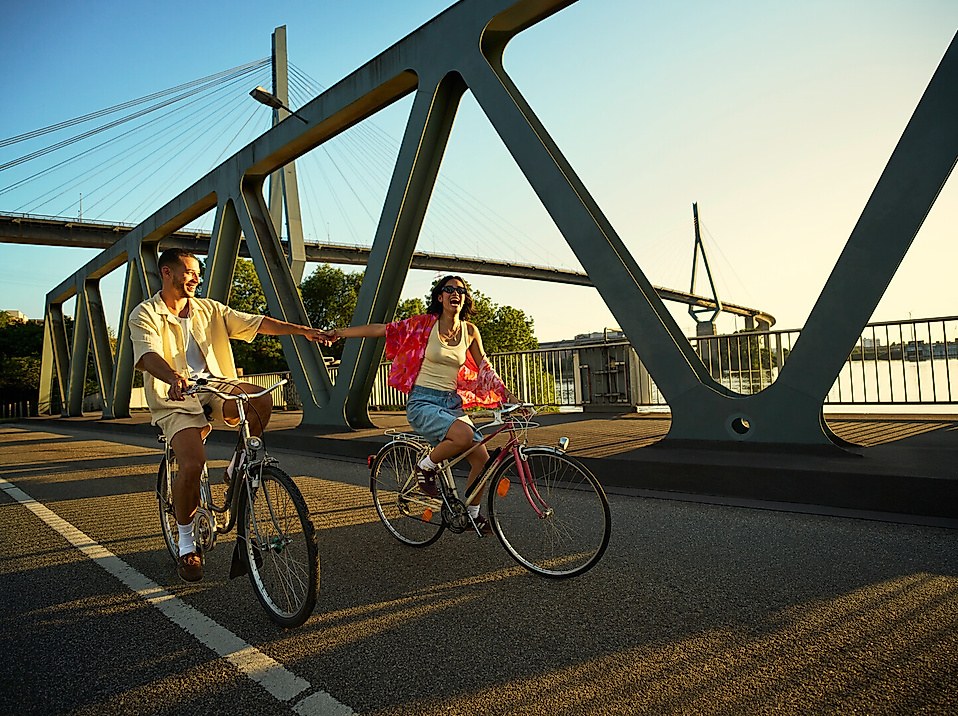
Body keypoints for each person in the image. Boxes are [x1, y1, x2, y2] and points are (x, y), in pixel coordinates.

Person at [129, 248, 326, 583]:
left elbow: (256, 322)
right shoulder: (145, 313)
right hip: (175, 395)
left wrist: (301, 330)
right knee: (192, 463)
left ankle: (236, 468)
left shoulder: (210, 309)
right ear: (167, 272)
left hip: (216, 384)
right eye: (189, 272)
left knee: (260, 400)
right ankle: (187, 542)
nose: (196, 278)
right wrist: (174, 378)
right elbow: (147, 354)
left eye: (197, 274)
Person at [318, 275, 519, 534]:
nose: (455, 293)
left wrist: (513, 399)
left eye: (460, 290)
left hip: (452, 403)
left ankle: (471, 514)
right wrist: (339, 333)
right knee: (465, 434)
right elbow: (383, 330)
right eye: (449, 289)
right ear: (439, 297)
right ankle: (425, 467)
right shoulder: (425, 325)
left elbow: (484, 369)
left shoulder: (470, 331)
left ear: (465, 298)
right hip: (423, 401)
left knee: (482, 459)